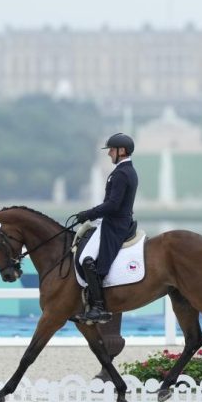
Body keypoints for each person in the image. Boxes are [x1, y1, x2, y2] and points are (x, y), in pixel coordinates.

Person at [74, 133, 138, 324]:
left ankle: (98, 307)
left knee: (87, 259)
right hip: (113, 221)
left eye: (111, 150)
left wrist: (89, 213)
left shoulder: (121, 173)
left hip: (115, 224)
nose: (109, 153)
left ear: (122, 151)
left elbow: (113, 205)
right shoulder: (126, 171)